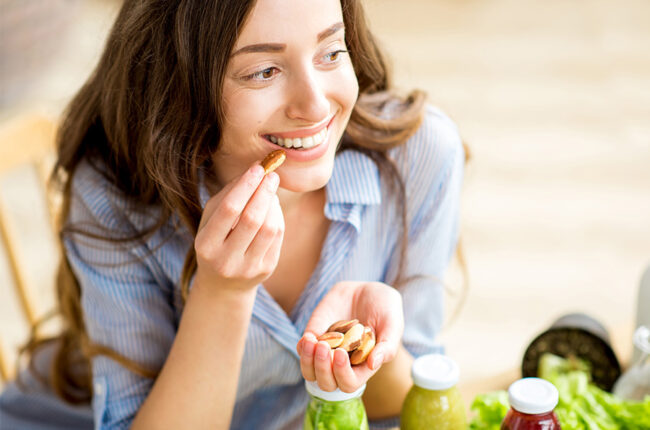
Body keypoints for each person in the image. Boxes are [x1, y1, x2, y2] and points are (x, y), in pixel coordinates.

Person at [0, 0, 466, 429]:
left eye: (330, 52)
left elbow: (400, 409)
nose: (316, 105)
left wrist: (364, 347)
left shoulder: (419, 158)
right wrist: (222, 292)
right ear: (177, 84)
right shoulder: (114, 196)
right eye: (264, 71)